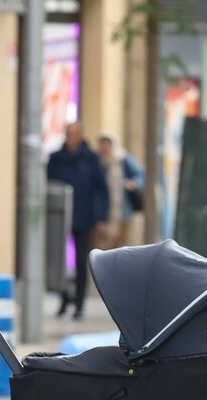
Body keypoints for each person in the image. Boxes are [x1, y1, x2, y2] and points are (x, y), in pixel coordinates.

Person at [47, 122, 108, 320]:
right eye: (68, 134)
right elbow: (49, 185)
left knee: (82, 261)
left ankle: (79, 303)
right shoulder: (56, 159)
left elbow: (101, 189)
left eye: (74, 134)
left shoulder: (90, 159)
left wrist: (101, 217)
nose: (71, 137)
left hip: (84, 216)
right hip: (59, 217)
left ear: (80, 136)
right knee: (59, 261)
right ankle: (64, 299)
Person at [98, 133, 145, 249]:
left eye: (106, 145)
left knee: (118, 243)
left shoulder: (122, 159)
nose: (104, 149)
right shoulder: (98, 163)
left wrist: (133, 183)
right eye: (102, 146)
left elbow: (140, 175)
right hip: (104, 212)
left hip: (123, 210)